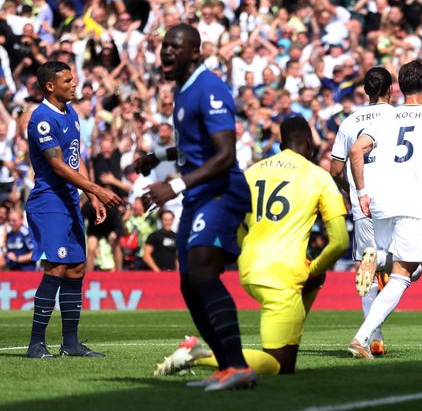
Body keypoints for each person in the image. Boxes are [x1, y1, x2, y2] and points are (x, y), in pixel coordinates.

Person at [156, 117, 349, 376]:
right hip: (283, 274)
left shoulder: (253, 171)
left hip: (250, 267)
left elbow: (233, 223)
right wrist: (312, 268)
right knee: (279, 365)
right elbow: (340, 242)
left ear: (281, 144)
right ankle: (197, 356)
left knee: (316, 279)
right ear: (309, 144)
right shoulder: (319, 177)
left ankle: (290, 331)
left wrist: (245, 249)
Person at [135, 24, 254, 391]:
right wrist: (160, 155)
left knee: (203, 271)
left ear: (194, 53)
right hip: (198, 194)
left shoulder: (210, 87)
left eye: (175, 46)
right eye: (164, 46)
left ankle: (237, 366)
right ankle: (226, 366)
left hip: (222, 190)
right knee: (189, 283)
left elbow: (224, 155)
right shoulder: (182, 91)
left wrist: (171, 185)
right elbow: (194, 145)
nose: (166, 52)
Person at [346, 60, 422, 359]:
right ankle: (361, 337)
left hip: (382, 205)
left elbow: (355, 150)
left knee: (402, 267)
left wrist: (361, 193)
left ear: (399, 87)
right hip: (414, 204)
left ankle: (377, 261)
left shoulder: (386, 118)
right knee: (408, 272)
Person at [25, 61, 122, 359]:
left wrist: (88, 196)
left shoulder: (72, 114)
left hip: (70, 200)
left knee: (77, 268)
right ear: (50, 86)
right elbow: (56, 164)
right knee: (55, 267)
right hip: (49, 201)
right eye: (67, 79)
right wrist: (97, 189)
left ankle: (70, 344)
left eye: (73, 77)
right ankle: (36, 344)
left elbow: (74, 160)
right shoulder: (41, 119)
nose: (74, 82)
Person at [328, 66, 395, 357]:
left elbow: (335, 168)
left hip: (362, 201)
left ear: (365, 91)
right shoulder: (399, 115)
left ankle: (374, 338)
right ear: (390, 89)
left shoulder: (349, 121)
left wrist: (352, 189)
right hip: (395, 198)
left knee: (367, 272)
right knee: (408, 264)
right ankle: (379, 260)